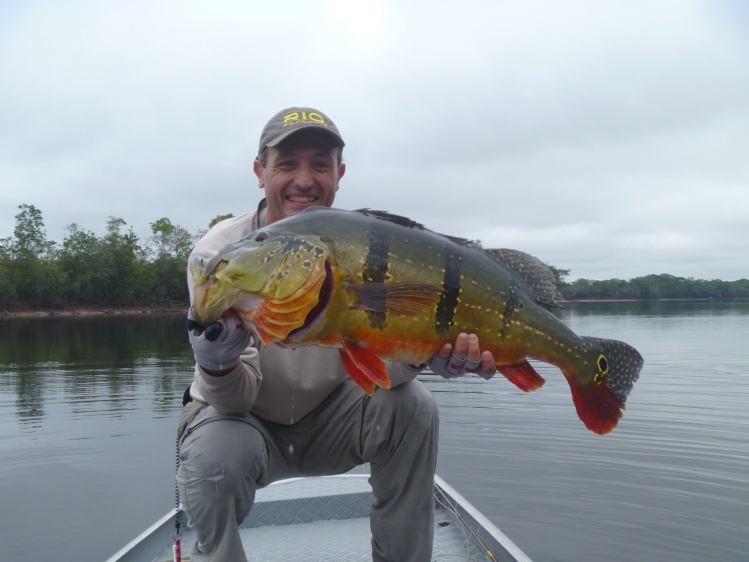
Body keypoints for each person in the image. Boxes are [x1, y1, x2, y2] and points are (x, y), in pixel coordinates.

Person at [177, 107, 497, 562]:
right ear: (259, 171)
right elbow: (233, 401)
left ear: (339, 174)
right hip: (250, 424)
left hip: (336, 421)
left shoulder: (359, 243)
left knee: (414, 406)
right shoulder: (221, 256)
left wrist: (425, 353)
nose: (304, 180)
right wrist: (217, 361)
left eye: (320, 164)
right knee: (213, 454)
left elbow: (388, 376)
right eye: (287, 163)